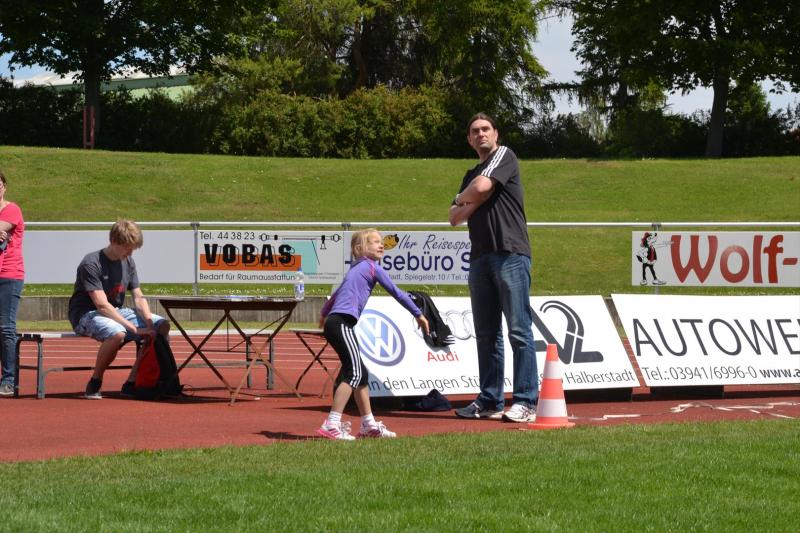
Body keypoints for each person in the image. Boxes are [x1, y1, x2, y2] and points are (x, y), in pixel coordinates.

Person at [448, 112, 538, 423]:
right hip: (480, 257)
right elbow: (453, 217)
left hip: (510, 252)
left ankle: (525, 401)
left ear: (496, 133)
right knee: (486, 334)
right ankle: (489, 400)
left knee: (519, 330)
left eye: (486, 129)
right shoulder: (470, 173)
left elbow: (483, 186)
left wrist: (468, 197)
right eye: (475, 131)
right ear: (469, 139)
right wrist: (470, 195)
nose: (481, 134)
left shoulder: (504, 155)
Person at [317, 229, 429, 440]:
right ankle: (331, 423)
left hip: (337, 323)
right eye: (375, 242)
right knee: (354, 373)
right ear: (360, 248)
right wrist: (418, 314)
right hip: (341, 323)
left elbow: (337, 294)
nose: (381, 245)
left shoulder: (355, 269)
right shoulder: (371, 267)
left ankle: (368, 425)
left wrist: (323, 315)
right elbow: (396, 292)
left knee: (361, 374)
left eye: (381, 242)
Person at [68, 219, 169, 399]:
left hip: (115, 310)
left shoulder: (128, 262)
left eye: (133, 249)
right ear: (114, 241)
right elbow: (101, 305)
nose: (130, 253)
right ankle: (95, 382)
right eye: (127, 248)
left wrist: (148, 324)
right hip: (86, 313)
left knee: (161, 326)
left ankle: (133, 382)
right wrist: (134, 329)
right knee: (117, 333)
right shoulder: (91, 263)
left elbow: (138, 296)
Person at [0, 169, 25, 397]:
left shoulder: (12, 209)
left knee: (5, 326)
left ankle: (8, 379)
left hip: (9, 274)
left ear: (4, 187)